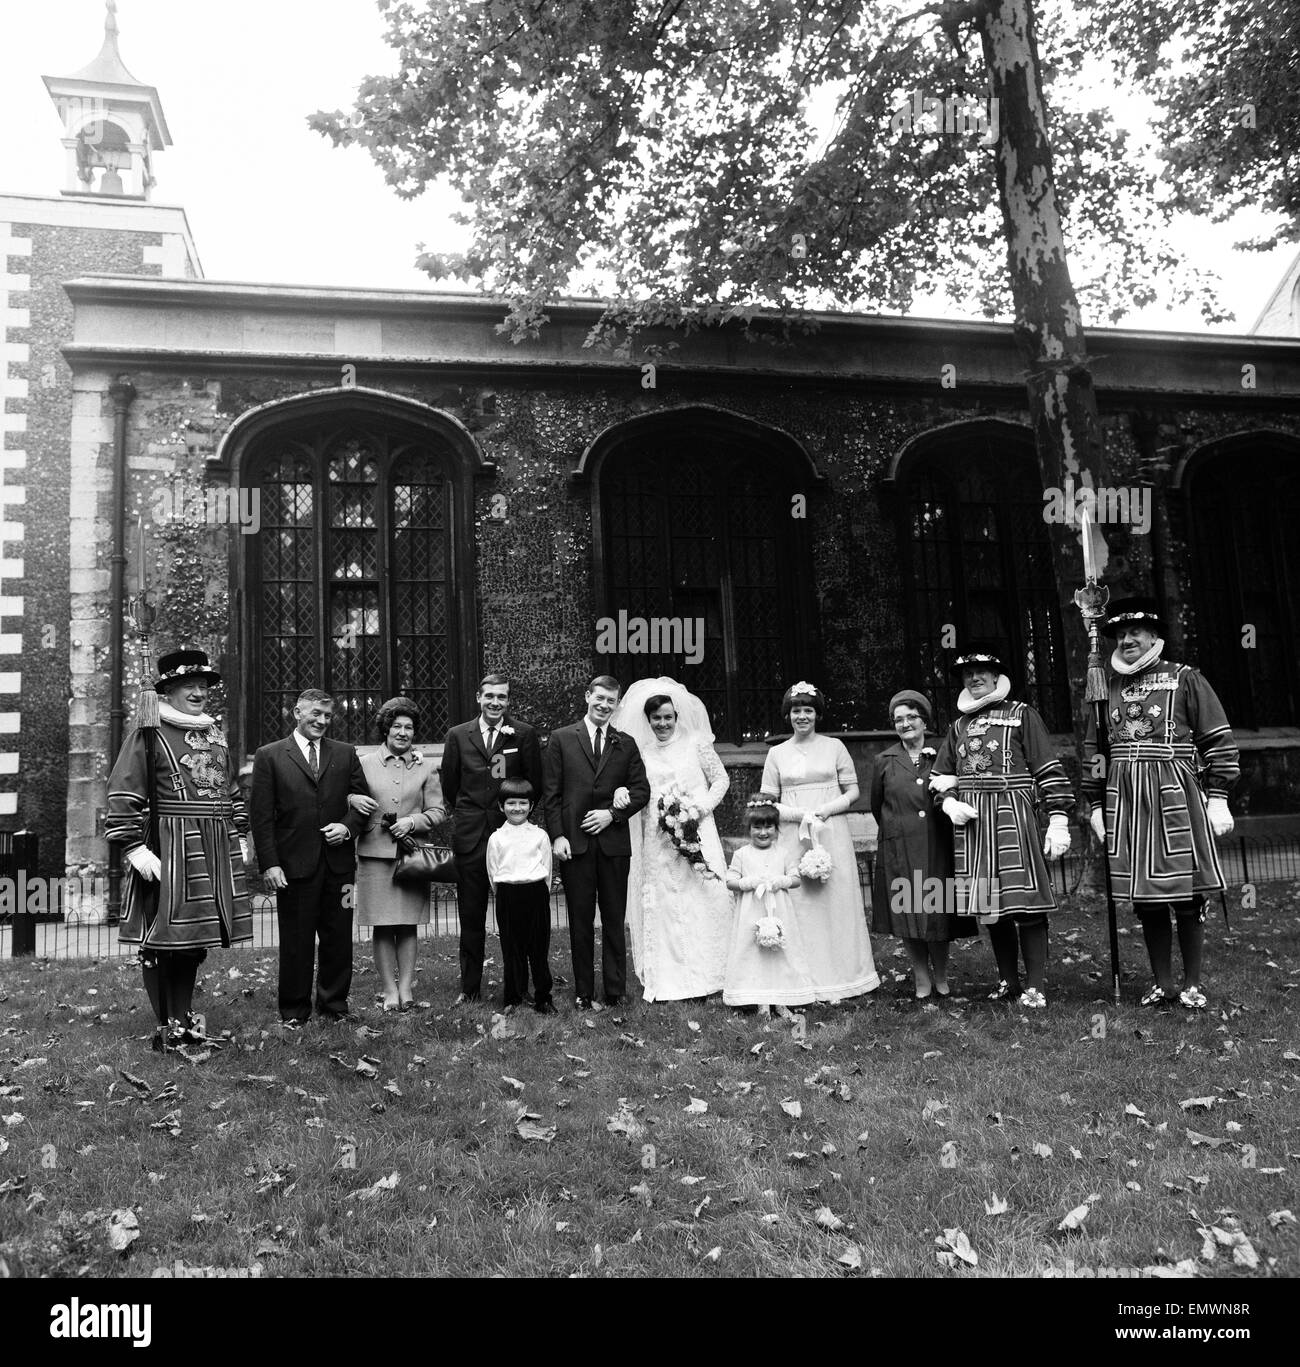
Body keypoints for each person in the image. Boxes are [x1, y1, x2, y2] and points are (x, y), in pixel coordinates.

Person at [1082, 597, 1239, 1009]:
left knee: (1186, 894)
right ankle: (1163, 983)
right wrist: (1095, 803)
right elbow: (1094, 749)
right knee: (1146, 896)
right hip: (1124, 797)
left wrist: (1219, 795)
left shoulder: (1185, 678)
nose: (1128, 639)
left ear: (1154, 636)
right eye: (1120, 634)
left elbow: (1217, 739)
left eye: (1136, 632)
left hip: (1174, 792)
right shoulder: (1106, 685)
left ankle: (1191, 983)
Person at [106, 649, 253, 1052]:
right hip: (169, 846)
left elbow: (230, 788)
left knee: (195, 940)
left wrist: (239, 832)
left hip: (214, 845)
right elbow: (122, 792)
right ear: (168, 690)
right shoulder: (147, 732)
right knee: (162, 940)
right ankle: (167, 1026)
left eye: (203, 685)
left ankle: (185, 1020)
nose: (198, 691)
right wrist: (135, 847)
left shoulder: (214, 732)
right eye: (189, 684)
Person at [929, 645, 1073, 1009]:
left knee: (1024, 903)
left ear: (996, 676)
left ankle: (1036, 986)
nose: (974, 678)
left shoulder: (1023, 714)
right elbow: (939, 775)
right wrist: (948, 803)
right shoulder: (957, 726)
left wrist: (1058, 818)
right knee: (991, 904)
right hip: (974, 822)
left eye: (982, 671)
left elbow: (1048, 768)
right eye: (968, 673)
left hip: (1013, 814)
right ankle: (1008, 981)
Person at [609, 677, 732, 1002]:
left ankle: (711, 974)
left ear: (676, 717)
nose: (662, 723)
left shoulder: (696, 744)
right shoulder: (643, 752)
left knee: (703, 899)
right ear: (648, 721)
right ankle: (670, 979)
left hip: (698, 829)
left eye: (667, 717)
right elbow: (630, 786)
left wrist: (699, 809)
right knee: (665, 904)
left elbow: (720, 779)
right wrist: (621, 791)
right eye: (656, 718)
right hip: (658, 838)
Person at [250, 688, 368, 1026]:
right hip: (293, 867)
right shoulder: (270, 755)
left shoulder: (345, 754)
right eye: (315, 713)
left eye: (327, 716)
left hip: (338, 866)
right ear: (297, 712)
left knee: (338, 939)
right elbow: (261, 816)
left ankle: (333, 1007)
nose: (321, 721)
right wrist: (270, 863)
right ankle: (294, 1011)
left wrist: (346, 828)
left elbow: (363, 803)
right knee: (296, 941)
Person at [762, 681, 880, 1001]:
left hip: (830, 831)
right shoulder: (776, 754)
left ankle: (845, 976)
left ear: (818, 715)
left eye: (808, 710)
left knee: (835, 900)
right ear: (788, 715)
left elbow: (853, 791)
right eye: (796, 710)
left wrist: (826, 810)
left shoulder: (834, 747)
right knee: (801, 902)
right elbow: (768, 801)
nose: (802, 716)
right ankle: (804, 978)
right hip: (793, 833)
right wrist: (798, 813)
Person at [543, 674, 651, 1011]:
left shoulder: (626, 742)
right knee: (580, 920)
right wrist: (558, 835)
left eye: (611, 701)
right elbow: (552, 793)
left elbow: (641, 791)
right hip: (575, 844)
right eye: (599, 698)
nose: (604, 705)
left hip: (614, 845)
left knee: (615, 918)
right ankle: (583, 991)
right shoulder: (561, 739)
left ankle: (615, 989)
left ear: (617, 705)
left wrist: (612, 815)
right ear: (587, 696)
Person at [439, 673, 543, 1005]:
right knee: (471, 917)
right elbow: (450, 786)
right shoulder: (458, 735)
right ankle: (469, 989)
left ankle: (518, 987)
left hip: (512, 839)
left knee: (517, 919)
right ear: (478, 698)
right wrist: (471, 814)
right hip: (471, 837)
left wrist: (514, 820)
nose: (495, 702)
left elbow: (533, 785)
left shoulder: (523, 734)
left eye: (502, 697)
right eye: (490, 696)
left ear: (508, 700)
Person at [869, 689, 975, 1002]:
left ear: (924, 720)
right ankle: (920, 976)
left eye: (911, 717)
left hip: (937, 844)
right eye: (898, 719)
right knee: (908, 912)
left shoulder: (944, 753)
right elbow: (878, 806)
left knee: (937, 911)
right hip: (900, 848)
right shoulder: (884, 761)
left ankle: (941, 975)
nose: (905, 724)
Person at [349, 697, 447, 1012]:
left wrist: (413, 821)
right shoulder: (364, 763)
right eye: (397, 726)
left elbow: (438, 811)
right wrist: (352, 798)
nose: (403, 733)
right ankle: (388, 991)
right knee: (382, 924)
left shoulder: (426, 767)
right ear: (386, 729)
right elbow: (347, 797)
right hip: (374, 854)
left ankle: (406, 990)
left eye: (409, 727)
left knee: (407, 924)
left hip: (411, 857)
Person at [722, 797, 815, 1014]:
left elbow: (796, 878)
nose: (763, 833)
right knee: (755, 955)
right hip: (751, 913)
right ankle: (761, 1000)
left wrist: (780, 881)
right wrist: (748, 882)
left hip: (778, 912)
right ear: (749, 829)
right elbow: (730, 881)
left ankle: (780, 999)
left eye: (768, 827)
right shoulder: (742, 854)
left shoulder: (782, 853)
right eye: (757, 827)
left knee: (778, 954)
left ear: (776, 829)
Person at [486, 777, 555, 1014]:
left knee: (538, 948)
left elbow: (547, 867)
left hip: (535, 894)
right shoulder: (496, 838)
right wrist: (502, 894)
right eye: (511, 803)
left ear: (532, 805)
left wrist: (540, 893)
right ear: (501, 806)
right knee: (512, 948)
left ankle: (543, 997)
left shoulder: (540, 835)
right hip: (508, 894)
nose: (517, 808)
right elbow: (492, 870)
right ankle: (513, 997)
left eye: (523, 803)